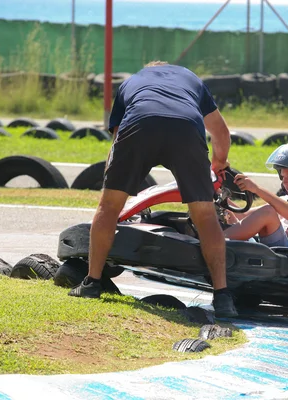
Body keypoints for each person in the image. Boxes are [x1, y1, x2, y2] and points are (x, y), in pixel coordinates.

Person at [68, 61, 238, 318]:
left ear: (149, 70)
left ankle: (92, 282)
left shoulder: (131, 81)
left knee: (109, 207)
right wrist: (218, 165)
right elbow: (221, 132)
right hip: (186, 129)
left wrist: (112, 180)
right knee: (205, 216)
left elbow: (117, 138)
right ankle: (223, 296)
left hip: (139, 125)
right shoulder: (191, 79)